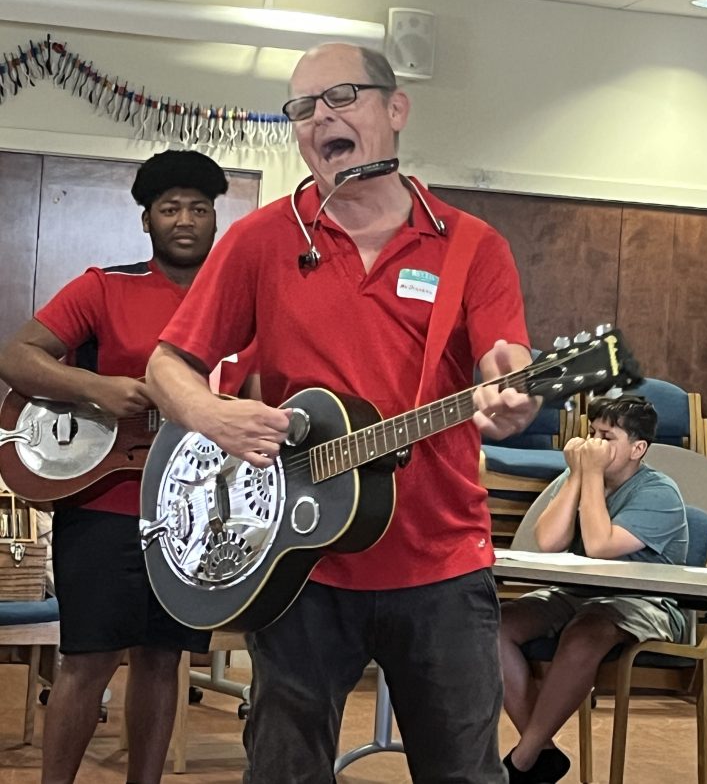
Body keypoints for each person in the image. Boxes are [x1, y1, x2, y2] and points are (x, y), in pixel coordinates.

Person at [145, 42, 538, 784]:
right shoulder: (262, 240)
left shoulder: (471, 247)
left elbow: (505, 361)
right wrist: (212, 415)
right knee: (283, 771)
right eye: (302, 108)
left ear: (396, 110)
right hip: (299, 562)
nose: (320, 117)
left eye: (342, 98)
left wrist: (513, 393)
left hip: (441, 563)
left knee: (463, 772)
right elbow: (168, 365)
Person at [0, 149, 232, 784]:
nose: (184, 219)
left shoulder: (242, 301)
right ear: (147, 220)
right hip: (105, 506)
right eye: (169, 208)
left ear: (217, 219)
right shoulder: (105, 286)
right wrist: (95, 387)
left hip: (198, 518)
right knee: (87, 660)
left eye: (199, 207)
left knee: (163, 661)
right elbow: (17, 357)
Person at [498, 394, 689, 783]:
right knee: (492, 626)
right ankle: (543, 754)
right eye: (592, 432)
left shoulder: (660, 493)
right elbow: (548, 541)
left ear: (638, 449)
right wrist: (576, 476)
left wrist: (591, 476)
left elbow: (602, 547)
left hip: (644, 602)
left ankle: (523, 760)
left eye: (607, 436)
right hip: (576, 594)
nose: (593, 445)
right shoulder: (584, 478)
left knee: (587, 631)